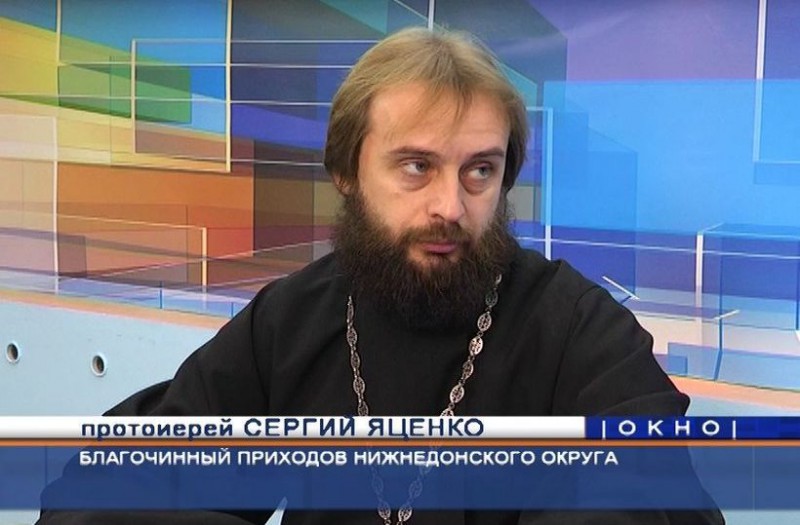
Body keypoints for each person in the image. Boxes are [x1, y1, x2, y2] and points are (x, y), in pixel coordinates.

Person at [38, 27, 724, 525]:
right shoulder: (291, 320)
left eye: (479, 170)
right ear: (347, 172)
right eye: (416, 166)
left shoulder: (579, 329)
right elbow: (110, 487)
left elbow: (653, 496)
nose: (450, 206)